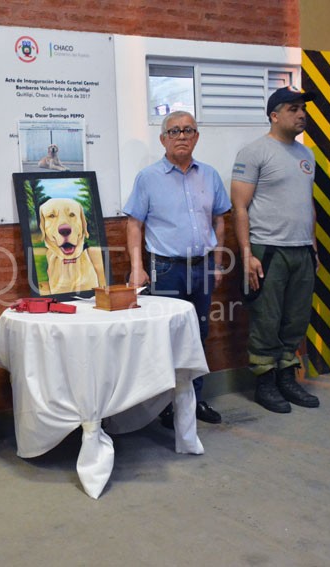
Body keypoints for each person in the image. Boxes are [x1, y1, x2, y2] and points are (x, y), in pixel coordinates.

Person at [125, 110, 231, 426]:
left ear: (196, 136)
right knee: (166, 338)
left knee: (198, 334)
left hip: (201, 270)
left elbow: (220, 219)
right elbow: (133, 225)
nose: (181, 136)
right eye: (174, 131)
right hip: (166, 271)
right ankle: (166, 406)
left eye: (188, 130)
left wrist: (218, 260)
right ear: (163, 139)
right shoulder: (148, 178)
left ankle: (194, 400)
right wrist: (137, 267)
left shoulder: (210, 175)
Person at [230, 86, 321, 414]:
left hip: (301, 250)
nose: (301, 114)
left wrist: (313, 247)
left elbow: (306, 204)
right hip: (267, 249)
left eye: (303, 109)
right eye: (293, 109)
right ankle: (265, 382)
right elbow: (239, 207)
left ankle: (286, 377)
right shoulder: (254, 152)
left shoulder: (306, 155)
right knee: (267, 319)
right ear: (274, 115)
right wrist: (247, 254)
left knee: (295, 319)